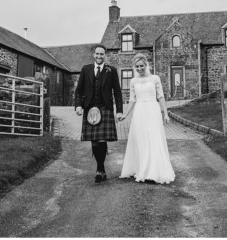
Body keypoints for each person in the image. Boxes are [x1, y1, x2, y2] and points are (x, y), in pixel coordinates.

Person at [119, 53, 175, 184]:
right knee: (141, 139)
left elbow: (160, 97)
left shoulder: (155, 79)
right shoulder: (133, 81)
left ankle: (155, 171)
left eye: (141, 66)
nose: (139, 69)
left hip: (152, 110)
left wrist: (165, 114)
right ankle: (142, 169)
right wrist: (126, 115)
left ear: (146, 65)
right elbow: (132, 100)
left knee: (154, 138)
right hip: (139, 112)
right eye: (137, 66)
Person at [74, 44, 124, 183]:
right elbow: (79, 90)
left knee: (101, 140)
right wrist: (78, 105)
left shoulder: (111, 70)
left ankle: (100, 169)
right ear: (93, 54)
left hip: (105, 108)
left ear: (105, 55)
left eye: (102, 54)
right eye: (97, 54)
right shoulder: (86, 69)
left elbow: (118, 92)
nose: (99, 56)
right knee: (95, 141)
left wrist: (119, 111)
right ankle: (101, 168)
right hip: (90, 109)